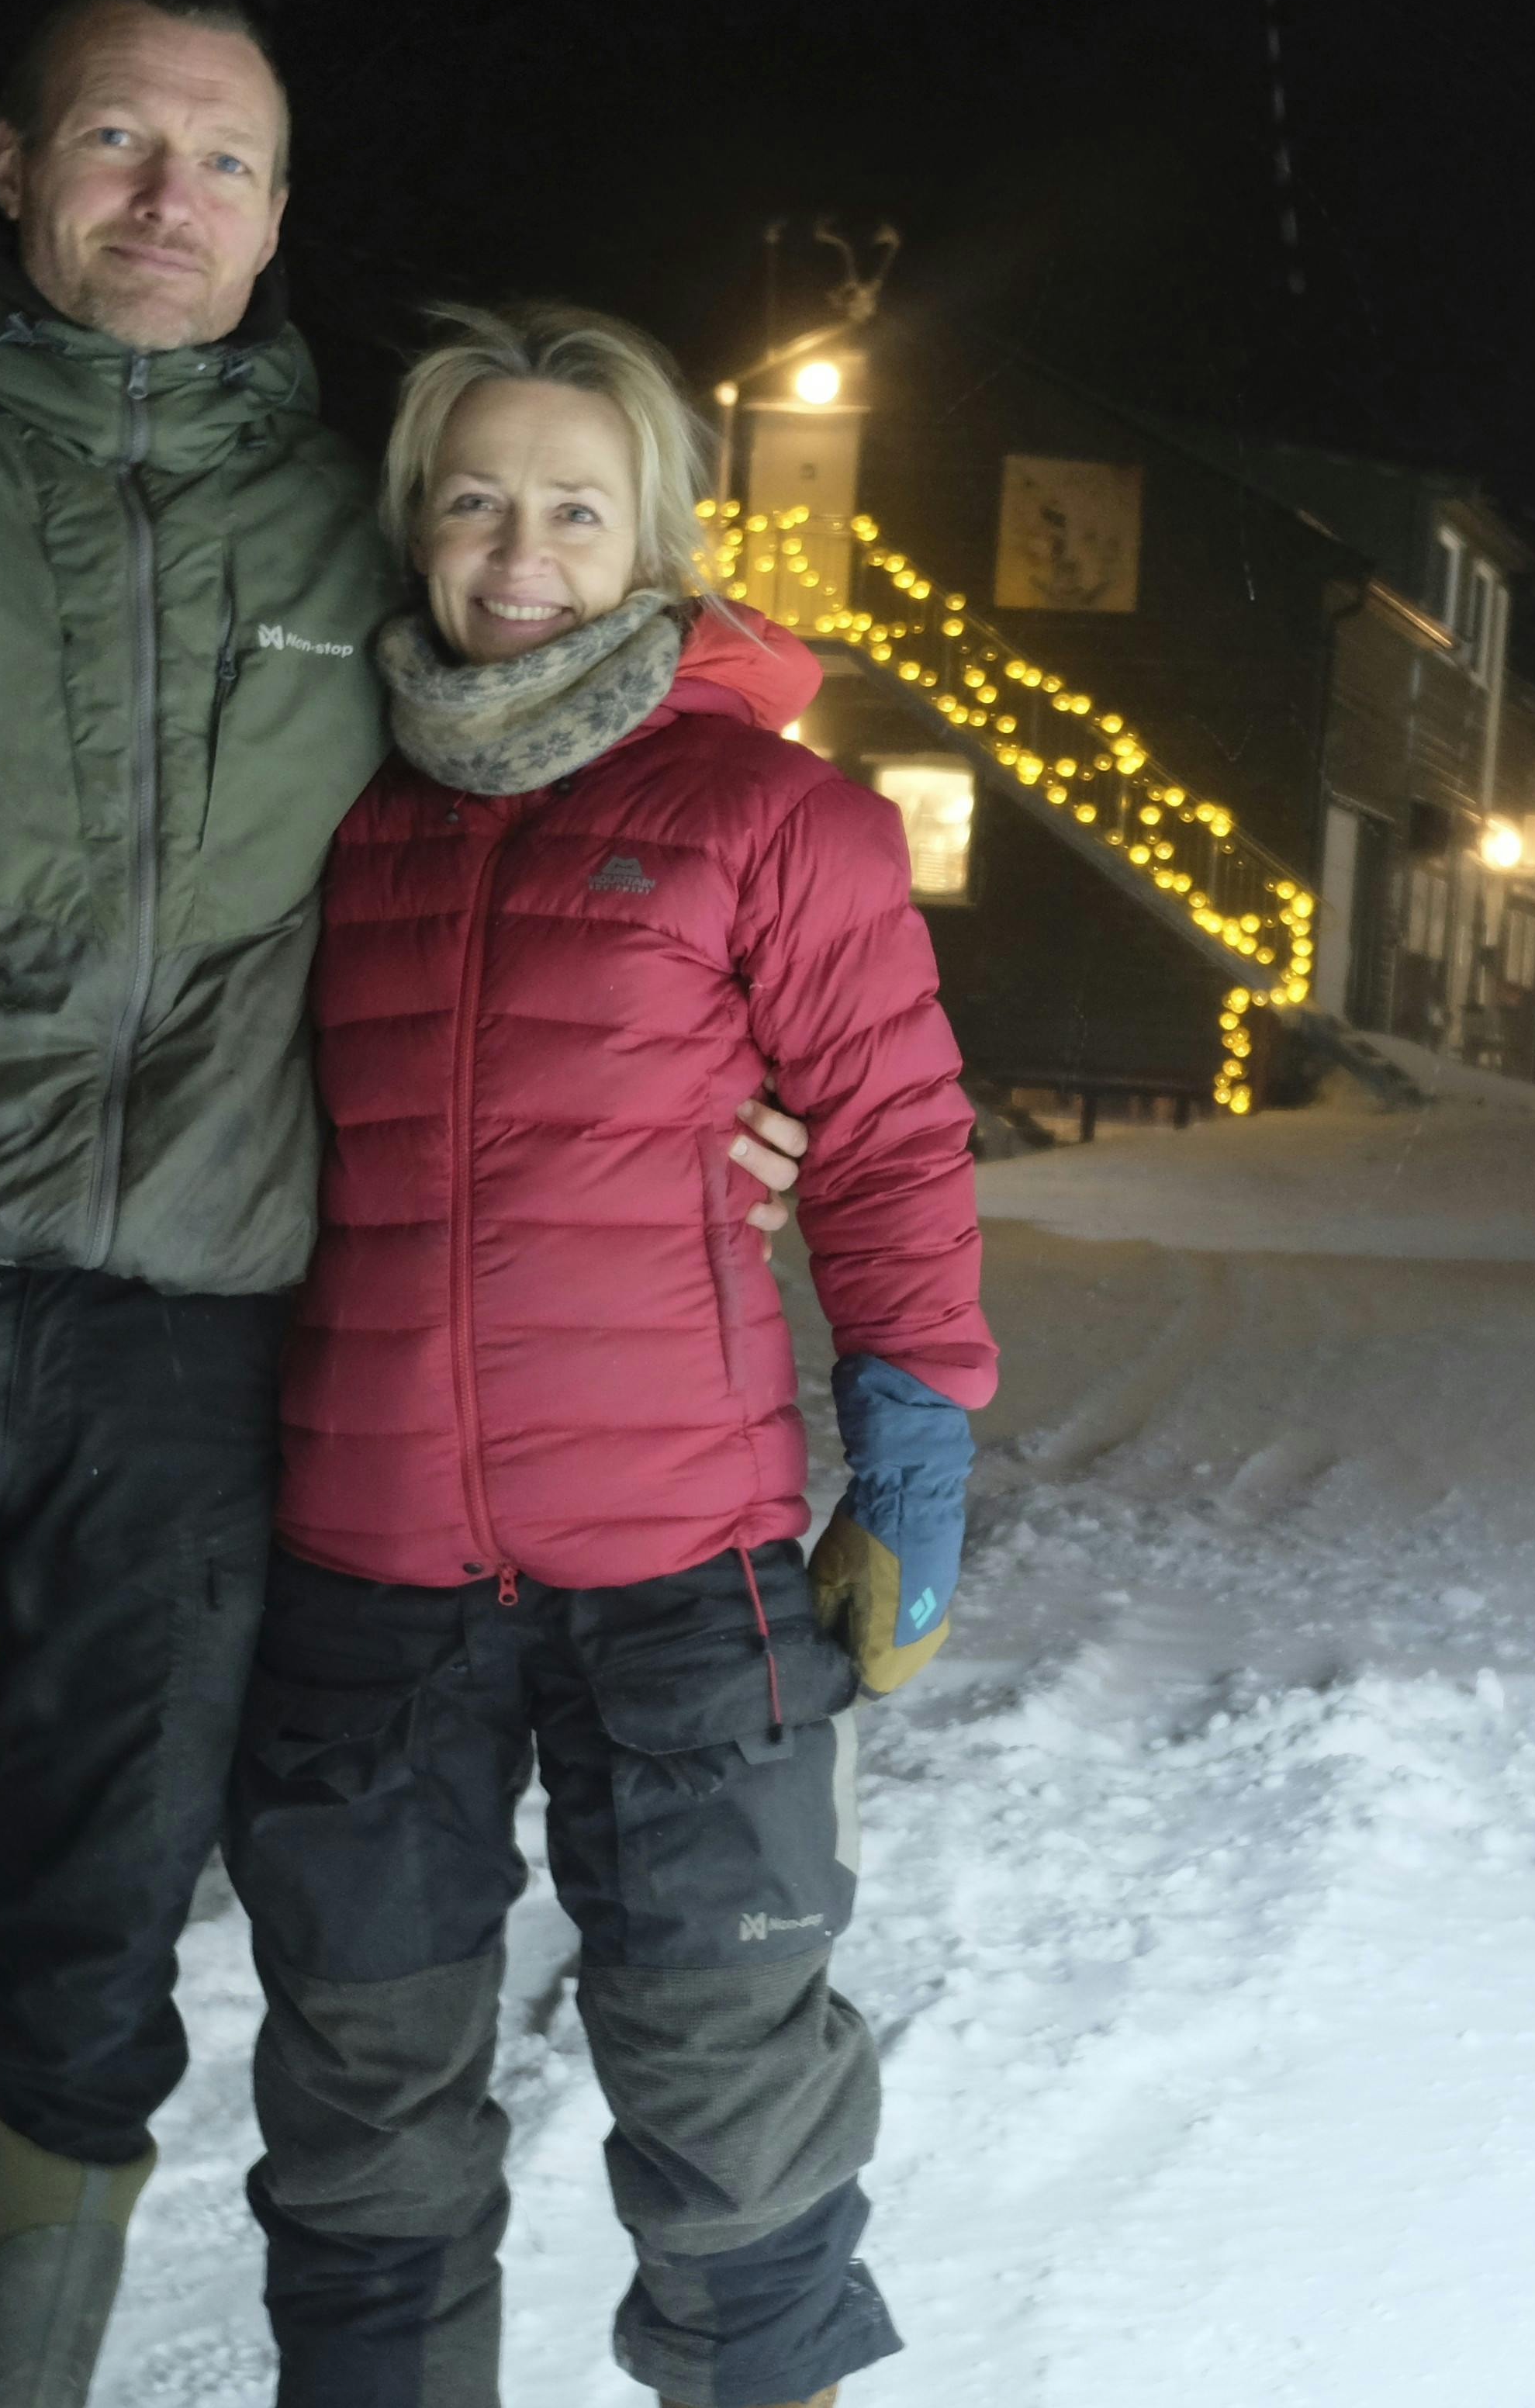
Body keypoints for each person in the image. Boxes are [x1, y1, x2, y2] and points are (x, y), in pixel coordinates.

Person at [0, 0, 804, 2408]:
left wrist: (734, 1064)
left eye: (219, 162)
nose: (162, 199)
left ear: (282, 211)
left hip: (205, 1335)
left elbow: (596, 749)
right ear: (11, 167)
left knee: (95, 1943)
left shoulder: (352, 507)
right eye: (113, 143)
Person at [226, 302, 994, 2408]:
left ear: (656, 532)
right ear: (414, 522)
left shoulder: (771, 815)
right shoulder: (333, 806)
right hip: (370, 1566)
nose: (519, 547)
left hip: (683, 1563)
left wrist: (912, 1435)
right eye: (475, 499)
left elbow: (890, 1132)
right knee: (361, 2089)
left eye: (575, 503)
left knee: (725, 2065)